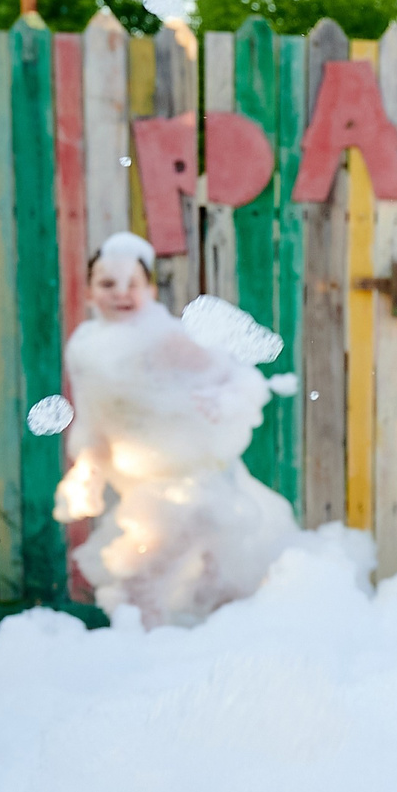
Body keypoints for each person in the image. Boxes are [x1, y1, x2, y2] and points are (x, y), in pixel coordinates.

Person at [54, 233, 301, 627]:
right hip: (146, 486)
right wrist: (88, 470)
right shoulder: (86, 347)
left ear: (150, 289)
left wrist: (224, 403)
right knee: (206, 586)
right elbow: (95, 421)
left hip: (195, 485)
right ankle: (197, 650)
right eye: (107, 284)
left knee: (143, 581)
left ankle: (155, 659)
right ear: (88, 293)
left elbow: (243, 381)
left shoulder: (167, 339)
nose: (121, 294)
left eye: (132, 284)